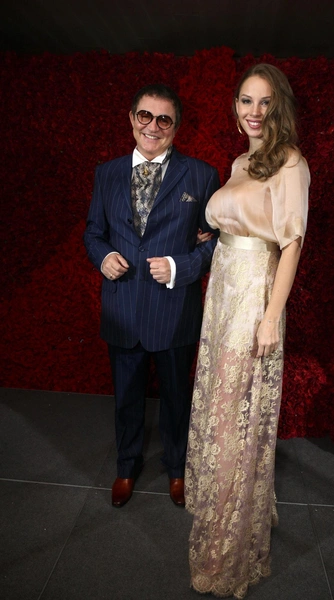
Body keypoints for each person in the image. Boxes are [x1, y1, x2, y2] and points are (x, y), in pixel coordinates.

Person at [184, 64, 310, 598]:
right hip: (222, 293)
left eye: (264, 102)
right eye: (245, 101)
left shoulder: (290, 162)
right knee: (223, 405)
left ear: (278, 107)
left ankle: (226, 547)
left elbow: (291, 243)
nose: (253, 111)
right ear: (235, 108)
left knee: (235, 411)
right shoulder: (240, 162)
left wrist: (270, 317)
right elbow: (236, 221)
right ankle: (233, 504)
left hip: (254, 295)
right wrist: (213, 231)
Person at [84, 84, 219, 509]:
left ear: (176, 127)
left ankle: (178, 469)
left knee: (177, 398)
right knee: (126, 398)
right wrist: (103, 256)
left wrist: (181, 268)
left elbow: (217, 241)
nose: (153, 126)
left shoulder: (201, 175)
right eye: (145, 116)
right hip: (122, 307)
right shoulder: (107, 173)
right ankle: (126, 466)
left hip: (174, 310)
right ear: (131, 118)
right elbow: (93, 232)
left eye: (164, 119)